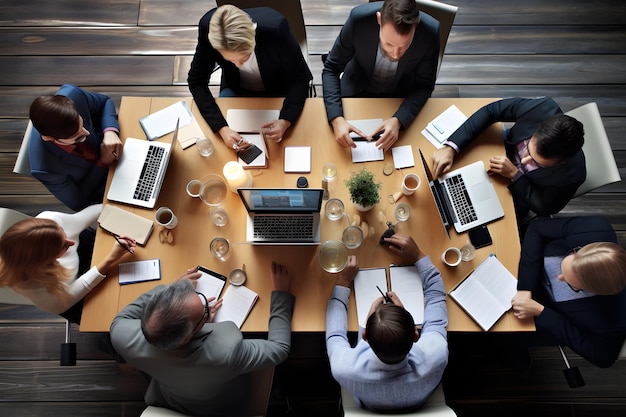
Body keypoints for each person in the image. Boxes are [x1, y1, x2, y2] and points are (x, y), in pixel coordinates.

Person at [110, 262, 295, 416]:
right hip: (222, 406)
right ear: (186, 338)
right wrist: (281, 295)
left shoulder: (121, 335)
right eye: (205, 310)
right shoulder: (226, 353)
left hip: (171, 395)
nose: (206, 301)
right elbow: (279, 349)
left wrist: (171, 292)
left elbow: (121, 318)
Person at [326, 234, 448, 411]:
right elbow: (436, 296)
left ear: (364, 336)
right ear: (416, 334)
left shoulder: (343, 368)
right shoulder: (437, 355)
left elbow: (335, 334)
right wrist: (418, 256)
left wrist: (343, 280)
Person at [431, 96, 586, 219]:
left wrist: (515, 175)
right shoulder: (541, 108)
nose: (524, 161)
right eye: (528, 150)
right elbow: (492, 111)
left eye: (537, 163)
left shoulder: (573, 175)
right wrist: (452, 147)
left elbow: (545, 207)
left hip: (521, 191)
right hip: (499, 150)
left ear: (562, 161)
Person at [188, 5, 313, 151]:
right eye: (230, 60)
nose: (239, 66)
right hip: (235, 86)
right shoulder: (207, 29)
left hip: (278, 87)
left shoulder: (276, 30)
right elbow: (196, 81)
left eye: (244, 58)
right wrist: (221, 128)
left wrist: (285, 120)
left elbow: (300, 78)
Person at [322, 0, 440, 152]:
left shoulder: (430, 33)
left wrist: (399, 120)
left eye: (404, 46)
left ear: (415, 26)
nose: (395, 54)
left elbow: (424, 85)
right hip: (356, 91)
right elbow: (331, 68)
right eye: (389, 44)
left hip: (399, 99)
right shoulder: (358, 20)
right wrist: (336, 119)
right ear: (379, 19)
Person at [511, 216, 626, 368]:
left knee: (497, 336)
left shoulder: (614, 319)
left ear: (591, 290)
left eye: (569, 283)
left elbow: (602, 357)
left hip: (544, 318)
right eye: (570, 256)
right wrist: (525, 288)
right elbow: (536, 229)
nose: (559, 277)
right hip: (524, 264)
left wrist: (541, 312)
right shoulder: (596, 227)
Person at [0, 204, 135, 323]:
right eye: (62, 247)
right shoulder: (36, 290)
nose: (70, 242)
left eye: (63, 233)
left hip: (81, 260)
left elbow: (99, 210)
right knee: (113, 313)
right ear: (45, 261)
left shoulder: (51, 219)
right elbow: (80, 287)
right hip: (71, 296)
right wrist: (111, 258)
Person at [28, 84, 123, 212]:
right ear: (48, 138)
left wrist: (110, 131)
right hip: (104, 190)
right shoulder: (44, 168)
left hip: (119, 150)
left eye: (82, 124)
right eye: (77, 137)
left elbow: (105, 101)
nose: (87, 133)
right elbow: (79, 202)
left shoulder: (73, 95)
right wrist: (102, 163)